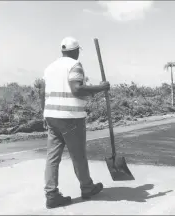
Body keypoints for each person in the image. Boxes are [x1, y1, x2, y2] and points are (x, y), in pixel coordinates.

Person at [40, 37, 111, 209]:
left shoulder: (50, 67)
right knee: (78, 155)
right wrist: (101, 88)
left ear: (62, 51)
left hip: (52, 116)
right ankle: (87, 188)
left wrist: (44, 113)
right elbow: (77, 89)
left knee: (52, 157)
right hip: (70, 117)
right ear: (76, 50)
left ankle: (51, 195)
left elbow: (42, 92)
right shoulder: (74, 65)